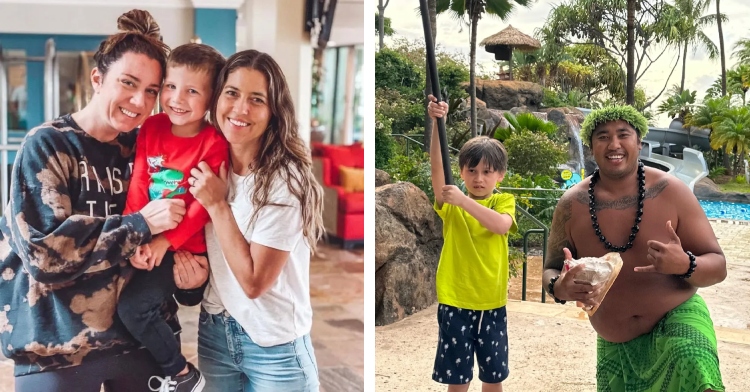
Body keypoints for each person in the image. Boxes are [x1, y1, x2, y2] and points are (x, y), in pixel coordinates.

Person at [0, 9, 208, 392]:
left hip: (140, 347)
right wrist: (140, 223)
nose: (139, 101)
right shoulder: (48, 144)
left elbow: (180, 230)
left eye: (150, 90)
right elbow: (46, 256)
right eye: (128, 83)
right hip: (56, 353)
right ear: (98, 78)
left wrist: (190, 283)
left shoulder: (149, 147)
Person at [542, 105, 726, 392]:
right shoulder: (571, 205)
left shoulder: (672, 191)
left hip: (677, 319)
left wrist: (686, 265)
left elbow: (718, 266)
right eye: (603, 136)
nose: (614, 144)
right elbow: (551, 268)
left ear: (639, 143)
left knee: (693, 360)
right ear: (591, 147)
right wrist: (558, 287)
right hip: (615, 342)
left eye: (623, 135)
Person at [187, 49, 324, 392]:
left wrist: (218, 205)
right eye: (232, 93)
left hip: (275, 344)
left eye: (256, 99)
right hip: (215, 331)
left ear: (274, 112)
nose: (240, 109)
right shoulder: (207, 162)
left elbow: (253, 282)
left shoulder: (286, 179)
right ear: (217, 98)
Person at [118, 42, 228, 392]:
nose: (177, 98)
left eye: (192, 91)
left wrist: (165, 241)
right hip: (147, 238)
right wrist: (132, 235)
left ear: (211, 99)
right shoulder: (151, 129)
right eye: (170, 86)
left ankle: (181, 374)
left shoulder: (214, 142)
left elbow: (201, 208)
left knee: (134, 308)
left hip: (185, 249)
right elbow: (139, 182)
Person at [426, 95, 518, 392]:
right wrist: (437, 121)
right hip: (455, 300)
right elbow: (437, 167)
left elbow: (500, 225)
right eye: (471, 171)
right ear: (462, 171)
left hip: (492, 302)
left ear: (499, 175)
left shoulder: (503, 200)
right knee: (458, 378)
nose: (479, 178)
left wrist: (463, 200)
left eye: (487, 172)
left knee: (493, 377)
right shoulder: (450, 202)